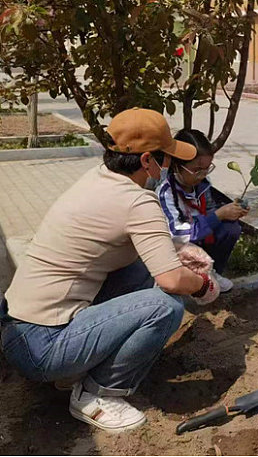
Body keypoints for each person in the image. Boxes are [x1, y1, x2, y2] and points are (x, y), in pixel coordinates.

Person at [0, 108, 219, 432]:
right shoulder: (138, 202)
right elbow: (172, 279)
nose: (170, 166)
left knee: (145, 267)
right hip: (42, 346)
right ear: (147, 161)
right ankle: (97, 393)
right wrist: (203, 285)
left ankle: (73, 369)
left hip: (21, 328)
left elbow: (137, 246)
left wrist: (176, 249)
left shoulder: (99, 178)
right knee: (166, 306)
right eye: (167, 158)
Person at [157, 129, 247, 292]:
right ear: (177, 166)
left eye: (207, 168)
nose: (203, 174)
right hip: (178, 247)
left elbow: (210, 210)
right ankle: (193, 279)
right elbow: (177, 234)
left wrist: (230, 212)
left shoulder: (202, 184)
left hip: (201, 237)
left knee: (231, 228)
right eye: (197, 169)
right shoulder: (166, 192)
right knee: (189, 247)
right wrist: (218, 216)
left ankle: (213, 272)